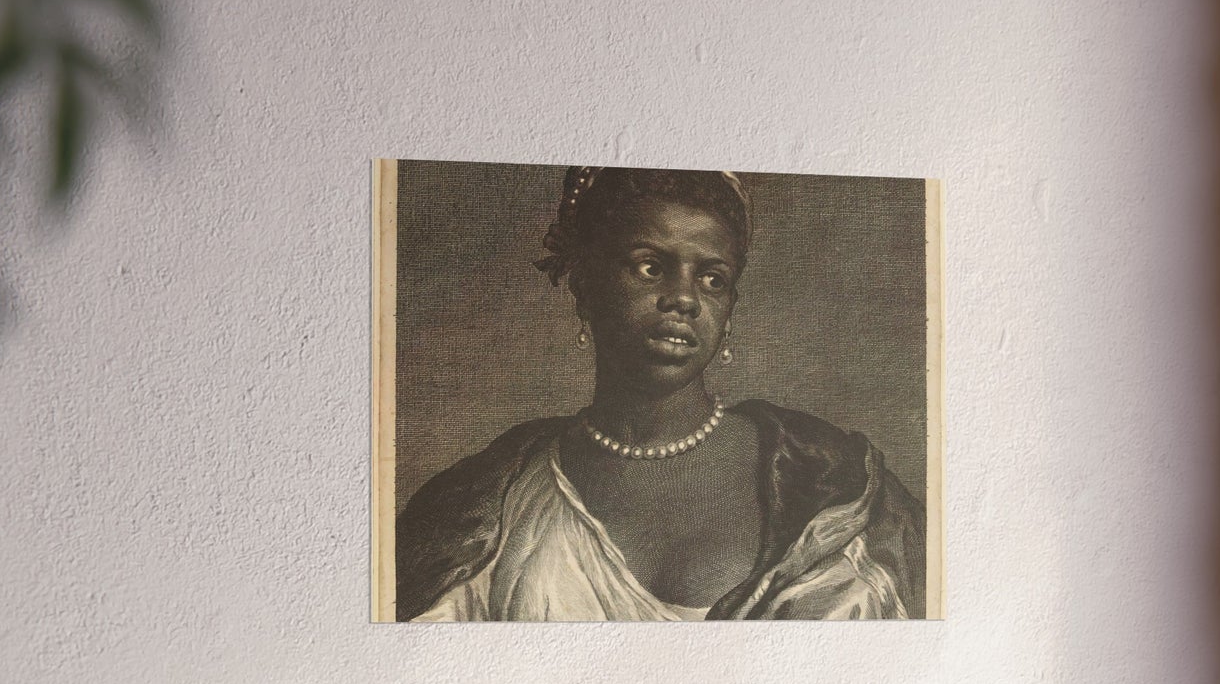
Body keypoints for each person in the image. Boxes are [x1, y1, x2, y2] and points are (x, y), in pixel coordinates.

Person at [395, 166, 924, 621]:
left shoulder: (837, 481)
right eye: (650, 267)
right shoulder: (488, 507)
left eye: (713, 279)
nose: (684, 299)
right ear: (586, 287)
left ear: (731, 312)